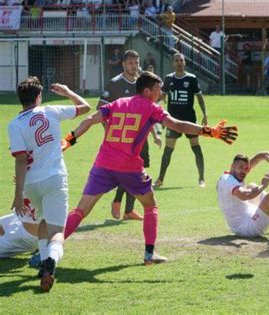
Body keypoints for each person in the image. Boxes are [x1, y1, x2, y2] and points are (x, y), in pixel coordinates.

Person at [61, 71, 237, 265]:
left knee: (81, 210)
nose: (161, 92)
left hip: (103, 164)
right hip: (129, 168)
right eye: (158, 89)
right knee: (150, 205)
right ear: (147, 91)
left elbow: (89, 121)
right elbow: (178, 125)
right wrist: (209, 132)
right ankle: (149, 254)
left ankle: (50, 249)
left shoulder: (117, 103)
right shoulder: (152, 108)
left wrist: (68, 141)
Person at [8, 77, 91, 292]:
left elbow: (20, 159)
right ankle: (52, 261)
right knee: (57, 232)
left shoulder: (14, 124)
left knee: (43, 223)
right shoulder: (51, 110)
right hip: (54, 179)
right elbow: (85, 107)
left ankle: (44, 262)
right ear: (39, 97)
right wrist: (68, 92)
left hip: (31, 184)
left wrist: (18, 195)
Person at [98, 50, 158, 221]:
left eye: (136, 63)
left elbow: (147, 113)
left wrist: (154, 135)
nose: (134, 66)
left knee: (137, 172)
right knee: (126, 172)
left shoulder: (141, 85)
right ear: (123, 64)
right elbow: (100, 110)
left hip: (140, 139)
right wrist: (111, 134)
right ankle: (117, 201)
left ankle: (129, 211)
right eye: (131, 63)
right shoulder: (114, 84)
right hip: (122, 141)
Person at [153, 53, 208, 188]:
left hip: (189, 119)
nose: (179, 62)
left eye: (181, 60)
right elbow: (162, 97)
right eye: (176, 60)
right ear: (173, 63)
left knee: (195, 147)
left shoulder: (191, 79)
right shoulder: (168, 79)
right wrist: (156, 107)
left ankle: (201, 179)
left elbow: (199, 98)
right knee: (168, 150)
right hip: (172, 121)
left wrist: (205, 114)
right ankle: (160, 179)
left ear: (185, 63)